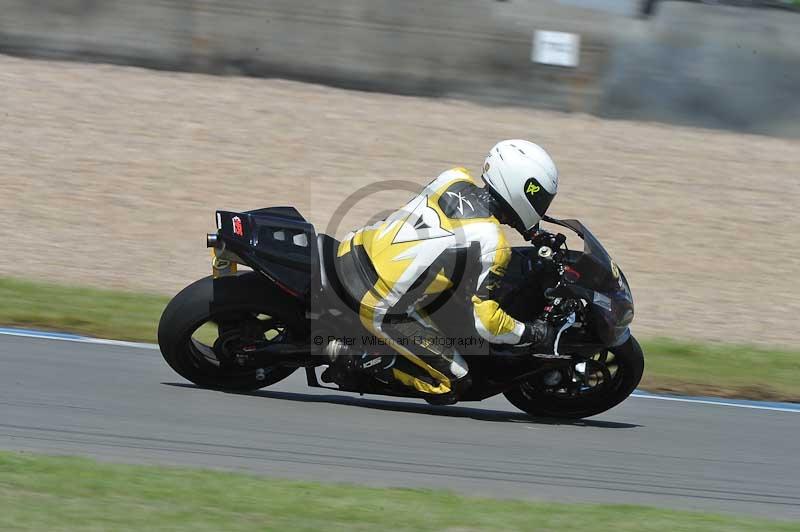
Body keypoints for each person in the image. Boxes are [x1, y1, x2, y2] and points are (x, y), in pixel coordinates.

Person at [325, 139, 560, 403]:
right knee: (455, 381)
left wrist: (531, 231)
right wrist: (532, 332)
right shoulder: (494, 244)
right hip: (379, 303)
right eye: (538, 198)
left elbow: (456, 224)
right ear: (521, 190)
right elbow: (485, 323)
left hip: (353, 248)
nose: (541, 206)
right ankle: (355, 356)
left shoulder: (452, 177)